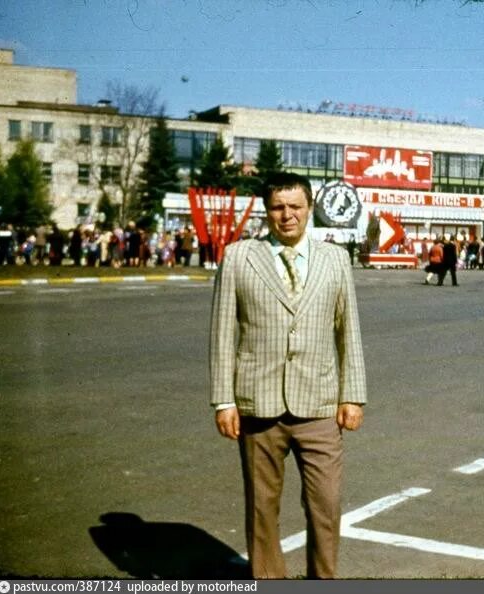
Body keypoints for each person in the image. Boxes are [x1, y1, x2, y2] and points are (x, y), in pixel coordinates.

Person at [210, 172, 367, 579]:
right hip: (258, 405)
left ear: (309, 208)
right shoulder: (239, 257)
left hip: (319, 405)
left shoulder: (336, 260)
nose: (287, 216)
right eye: (278, 207)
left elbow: (347, 330)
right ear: (267, 211)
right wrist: (224, 400)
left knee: (327, 505)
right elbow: (223, 332)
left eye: (296, 206)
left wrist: (353, 395)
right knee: (262, 508)